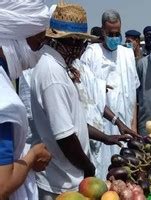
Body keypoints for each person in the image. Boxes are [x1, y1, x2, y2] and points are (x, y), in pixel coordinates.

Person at [30, 4, 130, 199]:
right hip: (62, 181)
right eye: (79, 44)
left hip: (68, 175)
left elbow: (71, 122)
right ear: (66, 42)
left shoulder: (58, 67)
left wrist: (106, 137)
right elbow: (65, 137)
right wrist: (88, 167)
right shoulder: (53, 74)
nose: (81, 50)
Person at [78, 9, 140, 179]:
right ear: (102, 31)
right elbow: (87, 96)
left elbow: (133, 93)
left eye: (117, 33)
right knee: (103, 172)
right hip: (101, 128)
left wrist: (133, 123)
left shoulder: (127, 54)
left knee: (126, 170)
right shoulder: (91, 54)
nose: (114, 37)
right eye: (110, 33)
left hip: (125, 123)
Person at [0, 1, 52, 199]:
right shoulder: (4, 100)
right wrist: (33, 156)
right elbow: (2, 186)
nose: (38, 53)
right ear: (14, 36)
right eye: (37, 42)